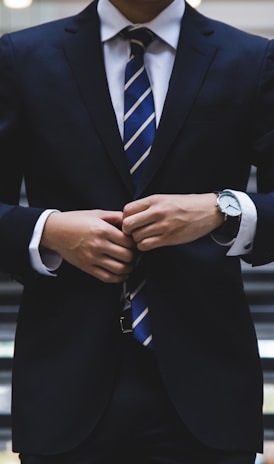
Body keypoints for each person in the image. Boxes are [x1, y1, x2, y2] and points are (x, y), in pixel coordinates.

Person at [0, 0, 273, 462]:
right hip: (64, 385)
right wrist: (46, 229)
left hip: (209, 388)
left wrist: (224, 208)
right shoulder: (21, 56)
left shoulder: (252, 59)